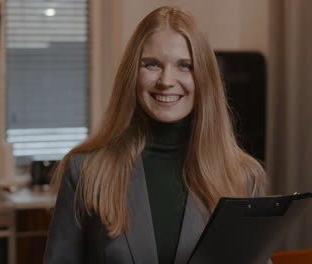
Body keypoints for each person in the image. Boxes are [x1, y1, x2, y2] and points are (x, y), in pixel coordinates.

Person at [44, 6, 266, 264]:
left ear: (204, 77)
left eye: (185, 66)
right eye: (151, 65)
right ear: (132, 75)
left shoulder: (243, 176)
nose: (166, 80)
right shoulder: (85, 172)